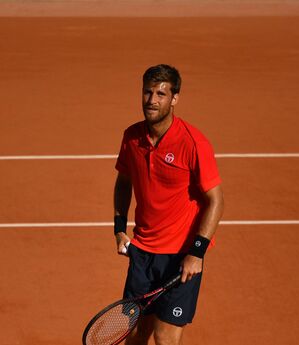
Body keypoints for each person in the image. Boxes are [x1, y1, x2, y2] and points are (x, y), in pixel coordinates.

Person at [113, 64, 224, 345]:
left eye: (161, 94)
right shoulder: (132, 137)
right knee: (136, 336)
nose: (152, 100)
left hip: (180, 257)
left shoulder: (193, 143)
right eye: (148, 92)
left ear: (174, 98)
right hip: (142, 253)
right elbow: (124, 183)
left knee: (165, 339)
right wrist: (119, 228)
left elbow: (216, 200)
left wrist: (196, 253)